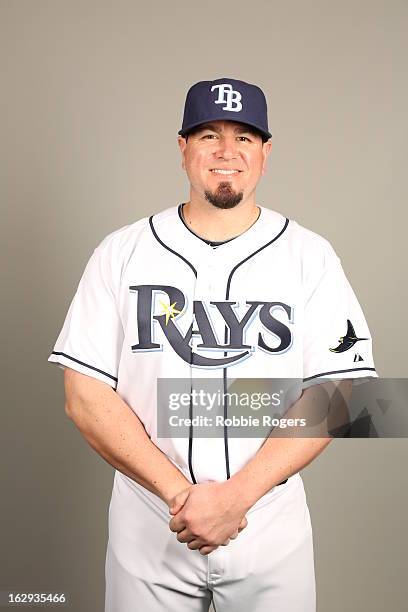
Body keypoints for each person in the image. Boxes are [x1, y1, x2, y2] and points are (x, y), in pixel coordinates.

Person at [48, 77, 378, 611]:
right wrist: (182, 497)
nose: (227, 151)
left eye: (244, 137)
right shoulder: (122, 252)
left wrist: (237, 497)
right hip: (150, 522)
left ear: (266, 154)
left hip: (268, 523)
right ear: (183, 149)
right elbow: (82, 395)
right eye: (208, 135)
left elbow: (346, 391)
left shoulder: (309, 256)